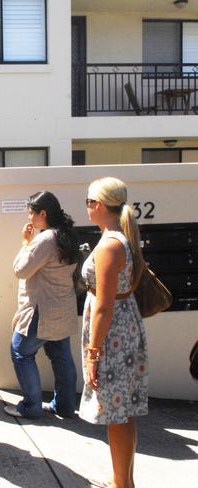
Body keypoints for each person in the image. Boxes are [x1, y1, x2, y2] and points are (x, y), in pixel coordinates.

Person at [79, 177, 148, 488]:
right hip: (125, 327)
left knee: (117, 414)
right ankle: (123, 479)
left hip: (113, 335)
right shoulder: (121, 238)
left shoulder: (109, 245)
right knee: (125, 412)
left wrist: (93, 353)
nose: (87, 207)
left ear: (99, 205)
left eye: (88, 202)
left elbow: (104, 307)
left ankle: (123, 483)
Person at [4, 191, 80, 419]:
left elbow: (21, 270)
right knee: (61, 356)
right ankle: (65, 407)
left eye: (31, 213)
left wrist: (25, 243)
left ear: (43, 213)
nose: (29, 218)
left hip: (42, 309)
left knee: (20, 351)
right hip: (63, 307)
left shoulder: (46, 239)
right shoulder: (67, 235)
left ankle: (31, 406)